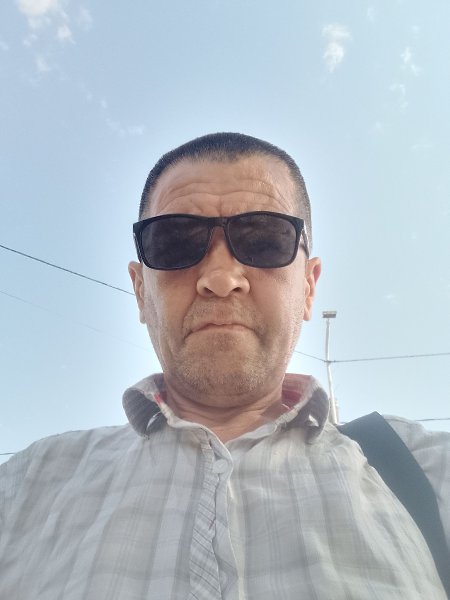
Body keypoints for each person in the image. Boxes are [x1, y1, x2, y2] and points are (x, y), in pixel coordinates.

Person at [0, 132, 448, 599]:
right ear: (140, 291)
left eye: (264, 240)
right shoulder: (27, 488)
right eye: (175, 243)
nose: (220, 277)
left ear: (308, 287)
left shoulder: (427, 472)